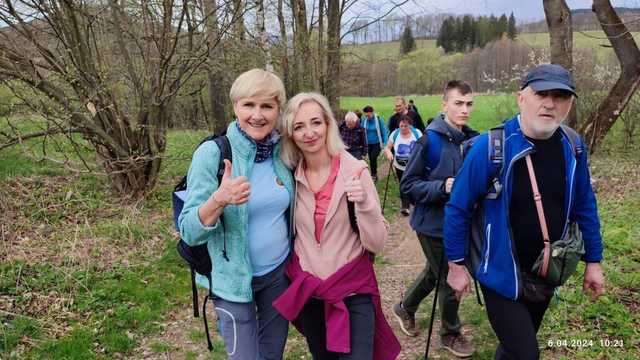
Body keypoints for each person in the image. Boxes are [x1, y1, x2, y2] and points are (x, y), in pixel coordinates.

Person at [444, 64, 605, 360]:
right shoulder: (491, 146)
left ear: (569, 104)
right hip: (500, 273)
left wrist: (593, 260)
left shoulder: (573, 146)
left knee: (514, 348)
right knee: (526, 353)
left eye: (560, 96)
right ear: (521, 98)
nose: (550, 103)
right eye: (541, 93)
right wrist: (456, 266)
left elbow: (585, 203)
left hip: (545, 271)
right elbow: (458, 207)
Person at [274, 93, 401, 360]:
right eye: (299, 126)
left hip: (352, 290)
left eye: (316, 123)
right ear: (291, 134)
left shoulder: (355, 171)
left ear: (329, 125)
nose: (309, 133)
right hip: (310, 292)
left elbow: (377, 242)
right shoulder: (290, 176)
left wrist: (364, 203)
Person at [178, 69, 294, 360]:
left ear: (278, 110)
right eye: (249, 105)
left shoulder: (284, 151)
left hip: (278, 275)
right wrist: (218, 199)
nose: (257, 115)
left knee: (271, 356)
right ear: (235, 107)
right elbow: (189, 231)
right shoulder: (212, 153)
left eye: (267, 106)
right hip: (231, 280)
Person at [394, 80, 477, 358]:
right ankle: (450, 334)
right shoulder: (428, 140)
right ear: (445, 105)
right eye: (458, 103)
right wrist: (443, 187)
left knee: (435, 271)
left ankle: (404, 307)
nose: (464, 110)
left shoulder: (471, 140)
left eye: (468, 104)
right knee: (448, 276)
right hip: (433, 224)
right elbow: (407, 186)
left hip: (461, 223)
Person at [383, 114, 422, 216]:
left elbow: (424, 146)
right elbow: (387, 147)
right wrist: (389, 153)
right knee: (403, 184)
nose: (403, 128)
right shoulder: (395, 134)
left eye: (406, 126)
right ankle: (405, 206)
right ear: (398, 126)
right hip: (399, 165)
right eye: (401, 126)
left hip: (414, 165)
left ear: (410, 125)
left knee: (414, 183)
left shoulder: (417, 133)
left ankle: (416, 202)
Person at [361, 105, 388, 182]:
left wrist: (385, 144)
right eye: (365, 115)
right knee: (371, 159)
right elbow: (362, 131)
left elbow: (384, 132)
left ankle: (374, 175)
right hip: (368, 144)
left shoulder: (379, 120)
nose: (367, 117)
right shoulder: (364, 120)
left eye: (368, 115)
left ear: (372, 112)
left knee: (373, 158)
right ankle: (373, 173)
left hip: (377, 143)